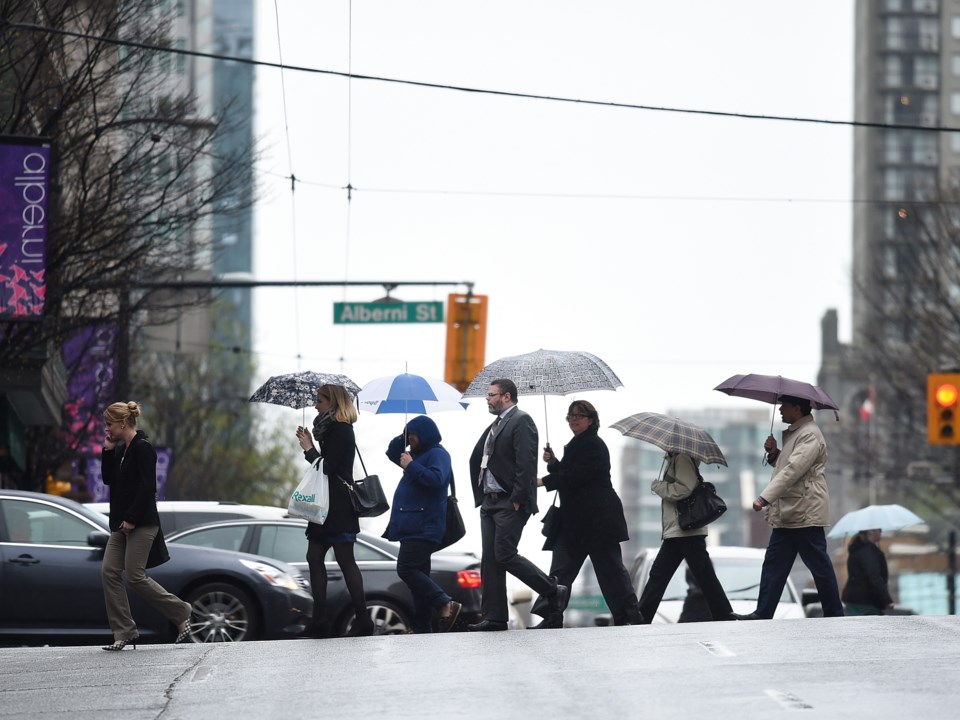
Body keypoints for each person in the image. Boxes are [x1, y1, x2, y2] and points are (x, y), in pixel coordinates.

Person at [467, 379, 569, 631]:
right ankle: (494, 617)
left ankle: (552, 589)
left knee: (504, 554)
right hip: (490, 502)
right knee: (490, 560)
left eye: (491, 395)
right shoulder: (496, 424)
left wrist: (518, 498)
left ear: (507, 396)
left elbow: (526, 462)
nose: (487, 400)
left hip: (509, 502)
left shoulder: (521, 420)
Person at [530, 400, 642, 628]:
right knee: (560, 572)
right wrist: (553, 463)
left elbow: (578, 476)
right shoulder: (578, 443)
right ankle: (552, 618)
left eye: (578, 416)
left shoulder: (593, 444)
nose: (573, 420)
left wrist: (544, 481)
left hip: (598, 522)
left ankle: (629, 618)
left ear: (591, 420)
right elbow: (569, 473)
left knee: (611, 574)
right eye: (570, 416)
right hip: (575, 524)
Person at [734, 394, 844, 620]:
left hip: (804, 511)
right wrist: (774, 454)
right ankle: (763, 613)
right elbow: (787, 464)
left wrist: (765, 498)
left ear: (797, 407)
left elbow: (793, 471)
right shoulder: (798, 434)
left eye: (784, 405)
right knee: (774, 565)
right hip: (790, 512)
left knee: (819, 567)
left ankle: (834, 614)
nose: (781, 409)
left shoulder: (810, 435)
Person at [100, 401, 192, 651]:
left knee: (135, 575)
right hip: (120, 523)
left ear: (122, 422)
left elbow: (147, 487)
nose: (106, 429)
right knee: (109, 571)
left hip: (141, 522)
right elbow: (109, 479)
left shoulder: (143, 448)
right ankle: (125, 631)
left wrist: (131, 517)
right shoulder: (120, 449)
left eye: (109, 425)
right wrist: (108, 450)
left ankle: (181, 611)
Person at [295, 384, 373, 638]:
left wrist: (309, 449)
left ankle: (362, 619)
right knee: (314, 556)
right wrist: (313, 442)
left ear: (333, 402)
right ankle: (320, 620)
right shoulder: (328, 429)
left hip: (337, 505)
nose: (315, 404)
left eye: (319, 400)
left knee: (344, 559)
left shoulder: (341, 430)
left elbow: (329, 468)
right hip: (326, 503)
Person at [384, 415, 462, 633]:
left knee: (406, 568)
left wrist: (411, 467)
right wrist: (404, 434)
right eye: (409, 436)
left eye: (414, 435)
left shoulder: (438, 454)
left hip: (423, 525)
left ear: (425, 434)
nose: (411, 440)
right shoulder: (416, 455)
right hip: (412, 524)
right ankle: (422, 626)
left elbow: (437, 481)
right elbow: (392, 453)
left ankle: (445, 603)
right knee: (420, 578)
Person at [638, 452, 733, 623]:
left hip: (685, 530)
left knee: (665, 576)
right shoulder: (675, 459)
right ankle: (641, 618)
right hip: (680, 530)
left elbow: (685, 488)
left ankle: (641, 618)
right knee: (662, 576)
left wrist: (659, 486)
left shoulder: (681, 458)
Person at [842, 529, 894, 615]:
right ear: (871, 531)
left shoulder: (858, 548)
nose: (881, 532)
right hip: (865, 600)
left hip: (856, 599)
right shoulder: (868, 551)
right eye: (879, 530)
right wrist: (886, 599)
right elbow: (874, 576)